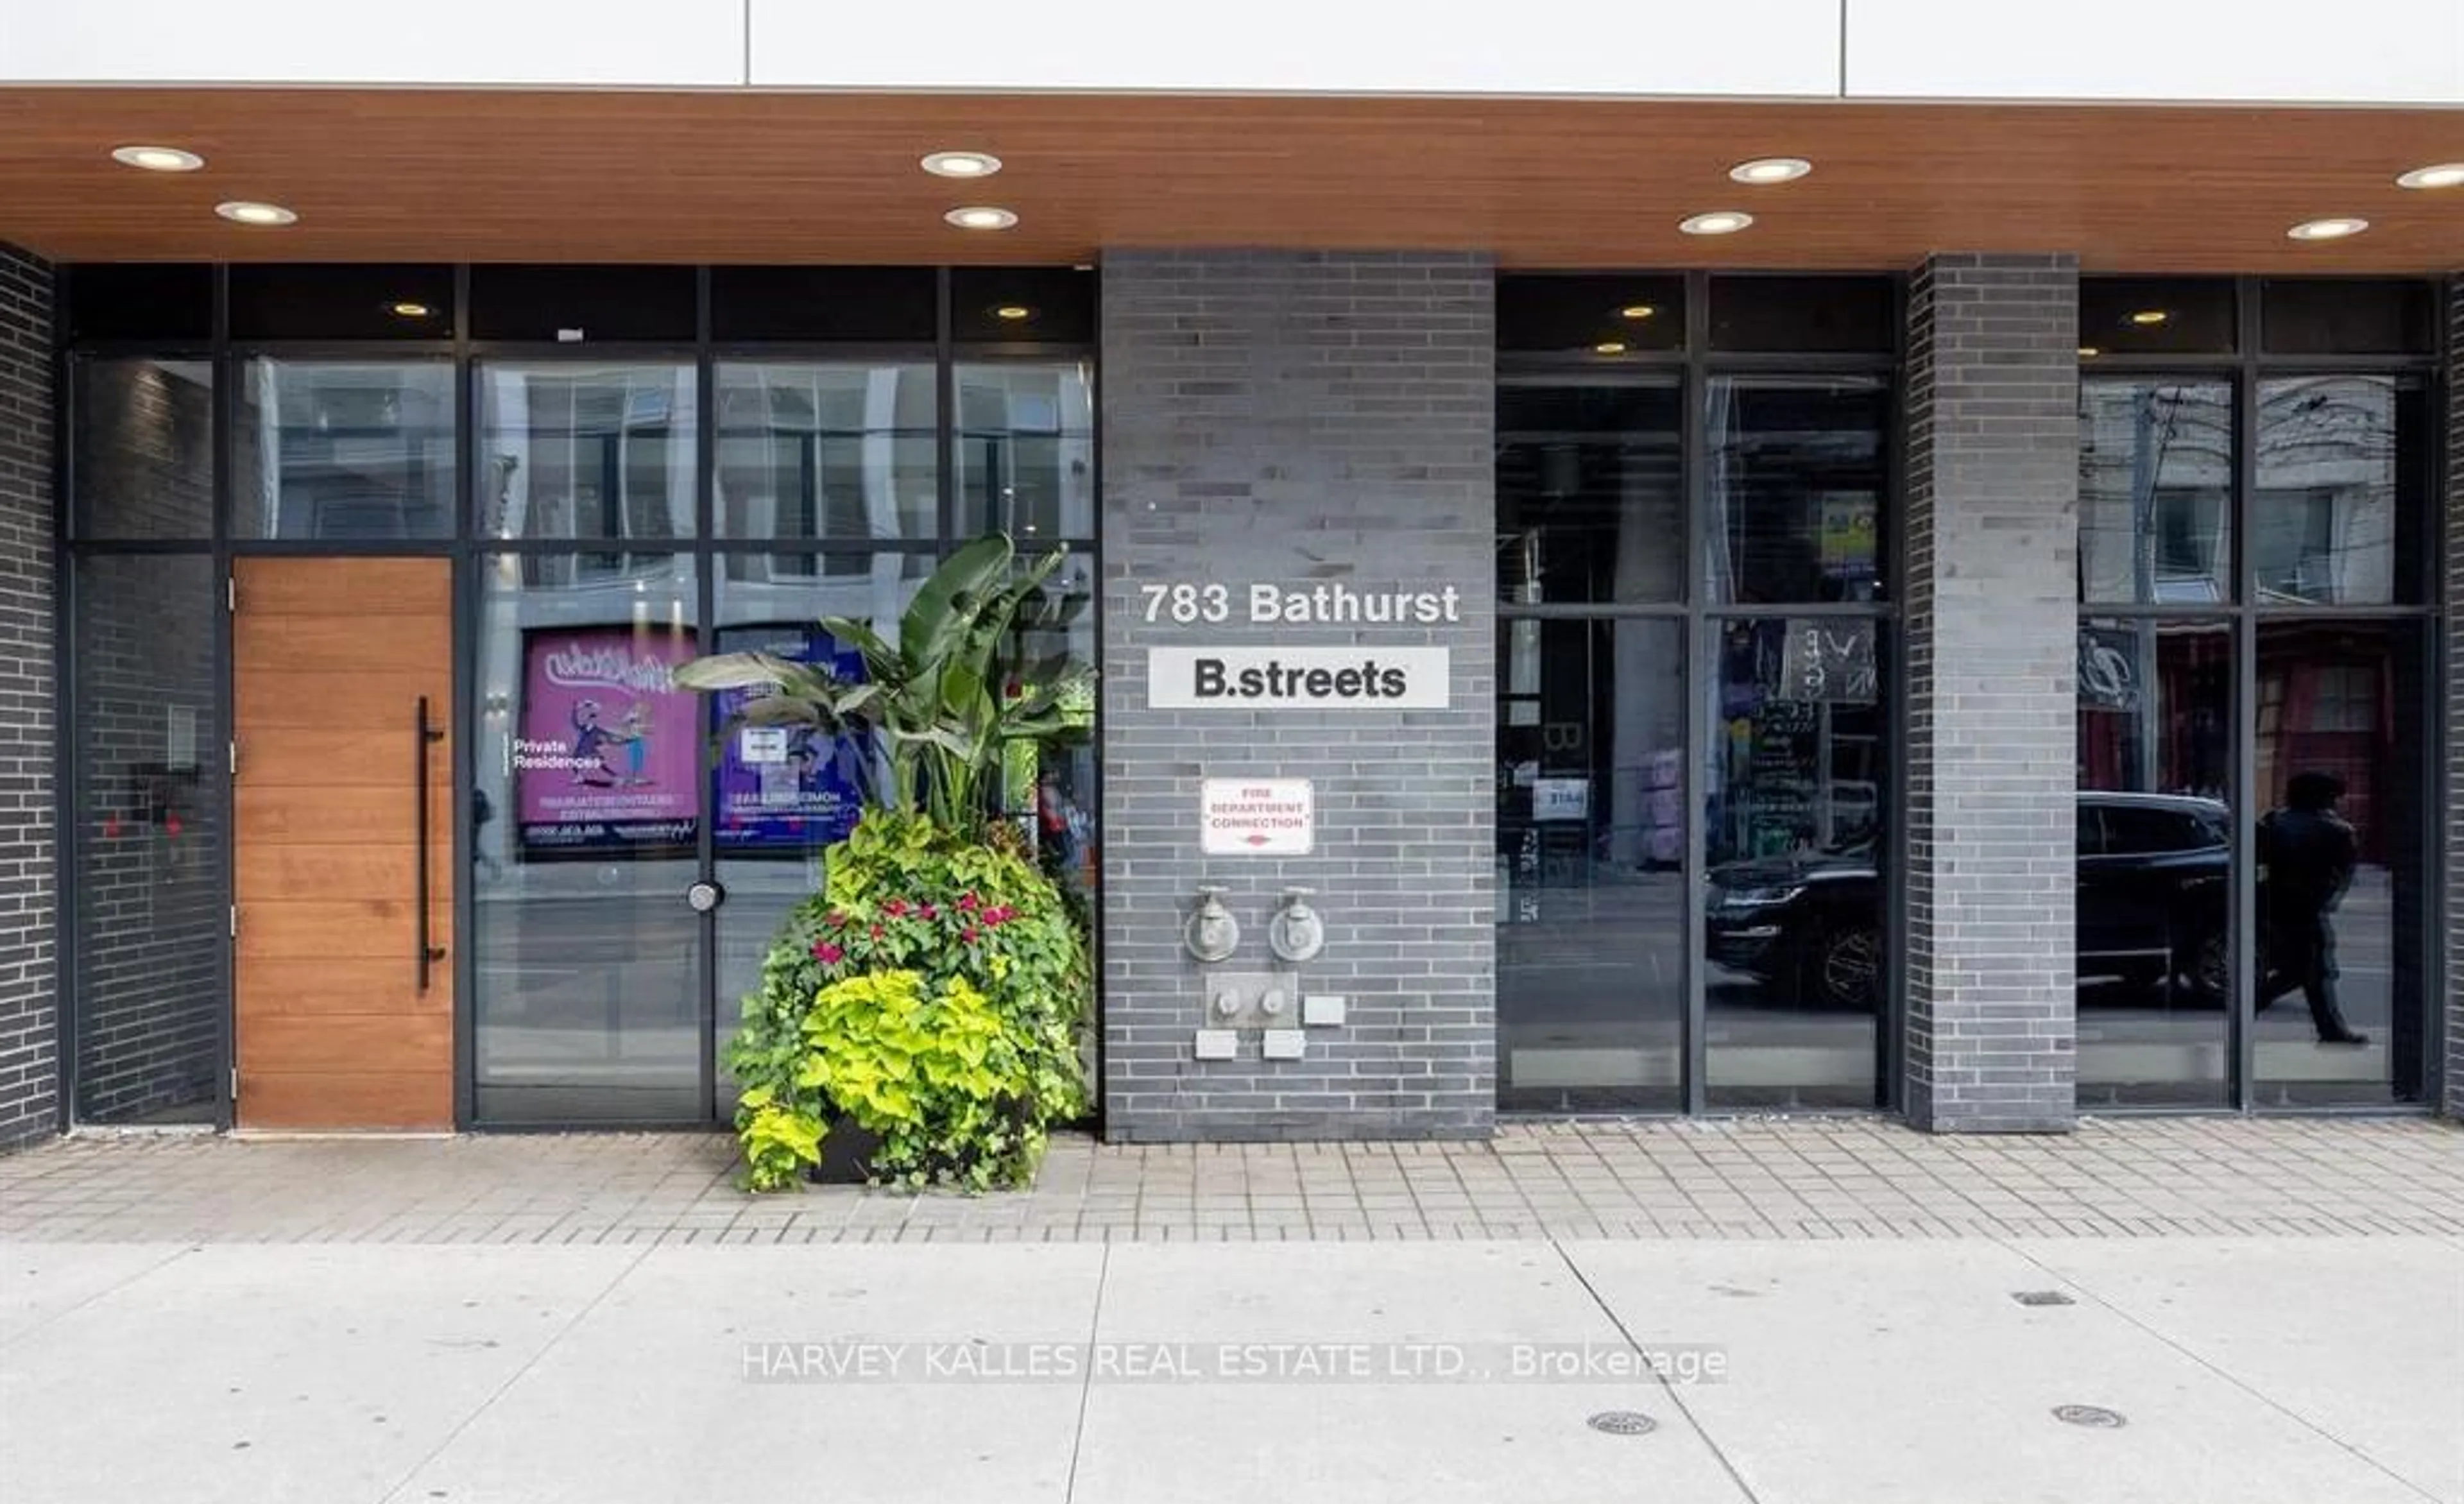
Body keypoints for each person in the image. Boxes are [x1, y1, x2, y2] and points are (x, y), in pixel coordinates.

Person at [2255, 771, 2368, 1045]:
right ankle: (2251, 1002)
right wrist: (2326, 900)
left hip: (2275, 907)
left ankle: (2329, 1029)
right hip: (2306, 909)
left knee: (2310, 971)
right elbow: (2341, 876)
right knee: (2308, 971)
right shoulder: (2338, 831)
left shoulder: (2272, 823)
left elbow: (2257, 867)